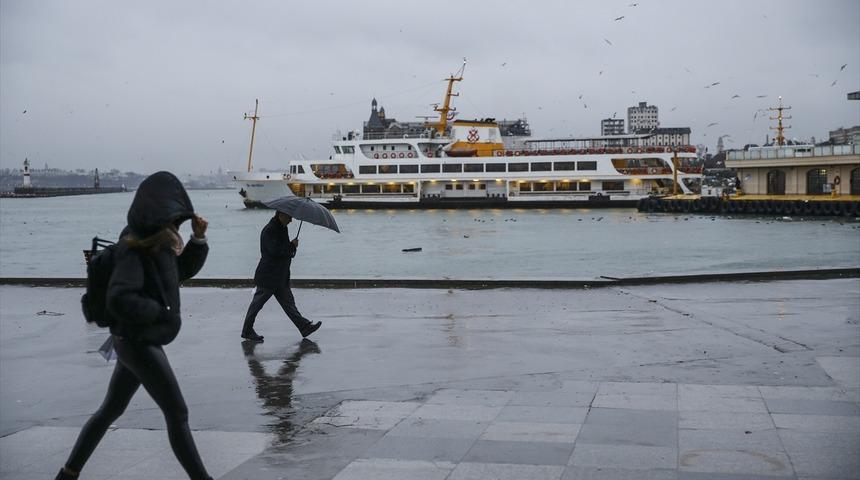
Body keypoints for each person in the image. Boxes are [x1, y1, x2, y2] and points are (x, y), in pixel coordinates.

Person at [56, 172, 213, 480]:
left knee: (110, 410)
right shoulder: (134, 248)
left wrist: (198, 239)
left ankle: (67, 474)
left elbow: (177, 273)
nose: (176, 226)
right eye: (176, 222)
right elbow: (120, 298)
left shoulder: (156, 244)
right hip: (137, 341)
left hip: (131, 341)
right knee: (177, 414)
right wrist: (158, 312)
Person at [241, 212, 321, 342]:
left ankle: (304, 327)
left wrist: (292, 247)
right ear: (280, 215)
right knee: (257, 305)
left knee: (289, 304)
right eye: (289, 217)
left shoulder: (282, 228)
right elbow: (275, 251)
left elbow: (284, 251)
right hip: (269, 276)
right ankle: (247, 330)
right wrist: (291, 246)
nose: (291, 220)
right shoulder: (269, 230)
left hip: (280, 276)